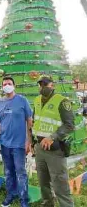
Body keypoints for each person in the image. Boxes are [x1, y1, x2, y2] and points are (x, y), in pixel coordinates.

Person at [33, 75, 74, 207]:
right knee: (43, 183)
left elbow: (69, 125)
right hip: (39, 148)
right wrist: (33, 142)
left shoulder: (62, 101)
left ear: (53, 85)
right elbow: (36, 122)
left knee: (60, 185)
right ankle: (47, 204)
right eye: (40, 84)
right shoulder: (37, 100)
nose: (43, 87)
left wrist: (52, 137)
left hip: (55, 150)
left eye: (46, 84)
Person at [0, 76, 32, 207]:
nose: (7, 85)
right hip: (5, 144)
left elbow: (29, 121)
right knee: (8, 171)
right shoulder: (0, 103)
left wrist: (29, 140)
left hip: (19, 144)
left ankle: (24, 199)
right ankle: (10, 194)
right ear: (2, 87)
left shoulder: (22, 100)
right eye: (4, 84)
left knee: (20, 172)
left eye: (9, 83)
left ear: (14, 85)